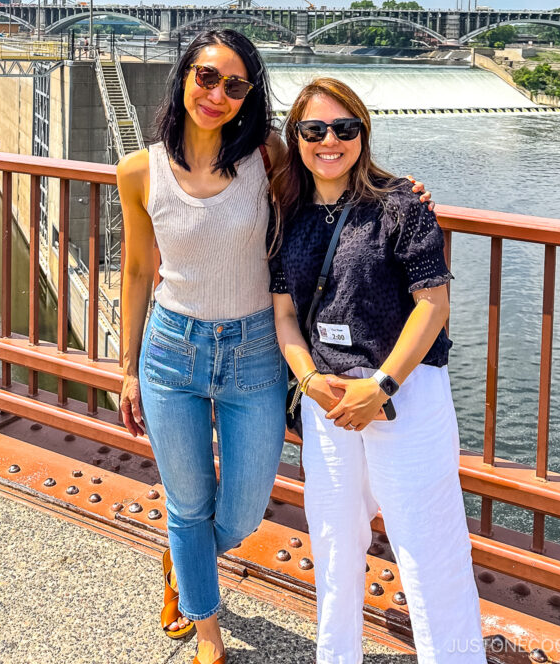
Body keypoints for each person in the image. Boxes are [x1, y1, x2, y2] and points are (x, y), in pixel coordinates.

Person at [117, 33, 434, 664]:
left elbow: (332, 175)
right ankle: (206, 631)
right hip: (171, 349)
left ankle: (184, 559)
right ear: (183, 77)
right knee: (186, 503)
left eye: (236, 86)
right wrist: (126, 369)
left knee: (239, 512)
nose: (218, 95)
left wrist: (403, 194)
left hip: (256, 350)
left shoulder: (267, 156)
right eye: (207, 78)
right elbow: (133, 271)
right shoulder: (138, 170)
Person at [270, 77, 486, 664]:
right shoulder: (287, 212)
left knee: (428, 551)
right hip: (328, 403)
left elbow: (432, 304)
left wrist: (382, 384)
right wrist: (311, 381)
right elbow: (285, 313)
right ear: (297, 138)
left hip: (404, 396)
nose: (329, 141)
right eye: (314, 130)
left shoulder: (399, 204)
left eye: (345, 128)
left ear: (363, 134)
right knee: (335, 550)